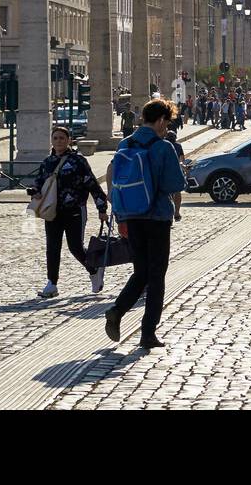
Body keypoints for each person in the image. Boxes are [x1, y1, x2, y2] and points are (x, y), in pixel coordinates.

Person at [105, 100, 188, 351]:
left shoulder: (125, 143)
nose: (167, 128)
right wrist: (182, 171)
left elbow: (112, 176)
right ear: (161, 120)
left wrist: (119, 213)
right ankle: (147, 333)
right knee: (157, 276)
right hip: (157, 216)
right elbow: (175, 185)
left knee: (141, 270)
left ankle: (118, 311)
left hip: (131, 215)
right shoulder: (163, 147)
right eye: (168, 122)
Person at [33, 126, 108, 299]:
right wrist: (35, 190)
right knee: (52, 248)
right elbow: (39, 181)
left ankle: (93, 269)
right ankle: (52, 283)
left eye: (62, 138)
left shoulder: (78, 161)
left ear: (69, 141)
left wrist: (101, 208)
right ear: (51, 141)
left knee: (75, 247)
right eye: (55, 138)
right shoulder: (47, 162)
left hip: (75, 210)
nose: (58, 141)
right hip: (52, 211)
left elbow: (92, 184)